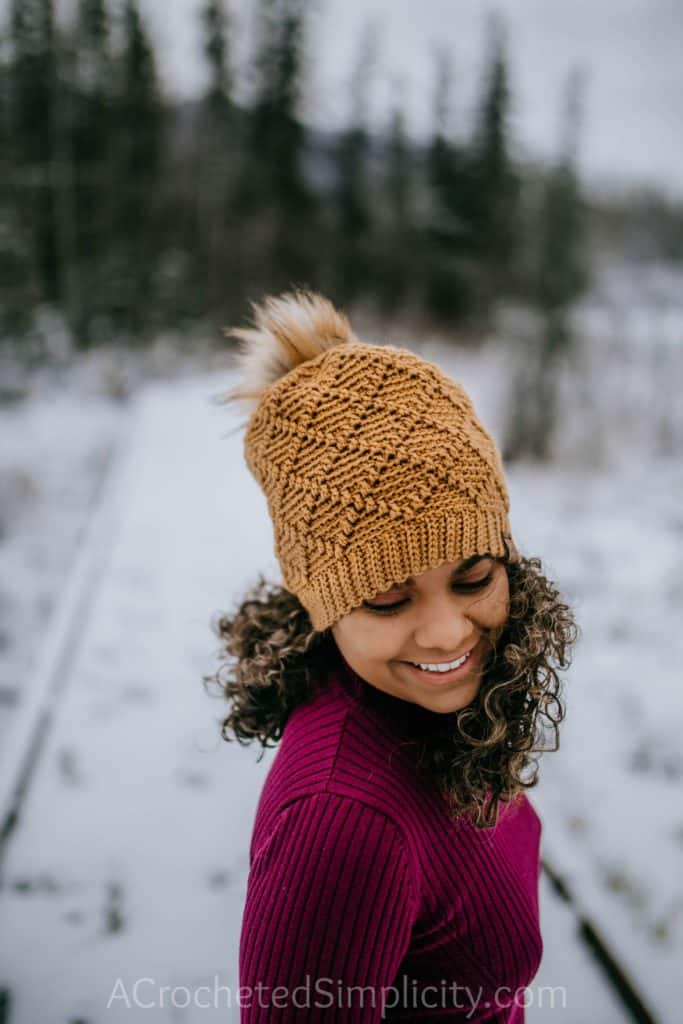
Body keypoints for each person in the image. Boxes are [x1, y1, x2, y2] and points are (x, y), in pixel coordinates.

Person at [205, 289, 579, 1022]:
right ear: (323, 606)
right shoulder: (340, 823)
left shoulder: (454, 714)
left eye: (473, 577)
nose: (445, 633)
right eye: (385, 598)